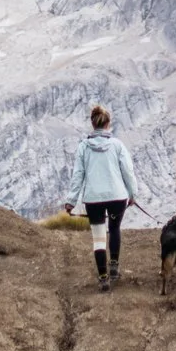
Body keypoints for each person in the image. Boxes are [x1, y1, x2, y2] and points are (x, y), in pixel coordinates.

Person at [65, 104, 139, 291]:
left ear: (93, 123)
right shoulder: (117, 145)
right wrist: (132, 194)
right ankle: (114, 265)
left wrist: (71, 201)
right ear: (108, 124)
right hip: (117, 196)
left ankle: (103, 277)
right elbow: (128, 171)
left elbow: (78, 175)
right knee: (114, 228)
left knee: (98, 237)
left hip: (93, 198)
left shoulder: (83, 147)